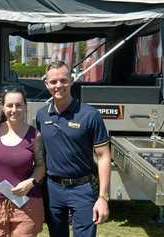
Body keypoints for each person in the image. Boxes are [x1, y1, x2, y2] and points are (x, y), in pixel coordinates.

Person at [36, 61, 111, 237]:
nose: (58, 85)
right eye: (53, 82)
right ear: (46, 84)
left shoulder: (90, 115)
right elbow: (39, 153)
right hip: (52, 188)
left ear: (71, 80)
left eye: (63, 80)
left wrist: (103, 197)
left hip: (83, 188)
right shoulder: (41, 115)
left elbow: (104, 156)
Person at [0, 88, 45, 237]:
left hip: (26, 204)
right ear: (2, 107)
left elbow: (41, 165)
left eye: (19, 105)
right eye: (10, 105)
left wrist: (30, 182)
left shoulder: (34, 135)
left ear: (25, 107)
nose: (14, 109)